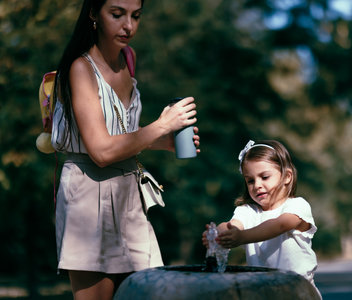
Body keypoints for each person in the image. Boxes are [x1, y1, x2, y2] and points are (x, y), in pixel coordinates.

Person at [50, 0, 200, 299]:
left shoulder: (128, 59)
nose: (128, 25)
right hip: (88, 196)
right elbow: (101, 151)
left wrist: (164, 142)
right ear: (93, 13)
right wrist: (162, 125)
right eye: (117, 14)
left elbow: (121, 135)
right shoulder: (80, 68)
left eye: (136, 16)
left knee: (146, 292)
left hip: (128, 194)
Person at [202, 140, 320, 296]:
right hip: (264, 293)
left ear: (287, 177)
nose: (257, 185)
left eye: (264, 177)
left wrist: (242, 237)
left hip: (297, 292)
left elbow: (280, 225)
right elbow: (234, 225)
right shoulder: (248, 211)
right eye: (250, 180)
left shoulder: (297, 206)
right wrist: (218, 234)